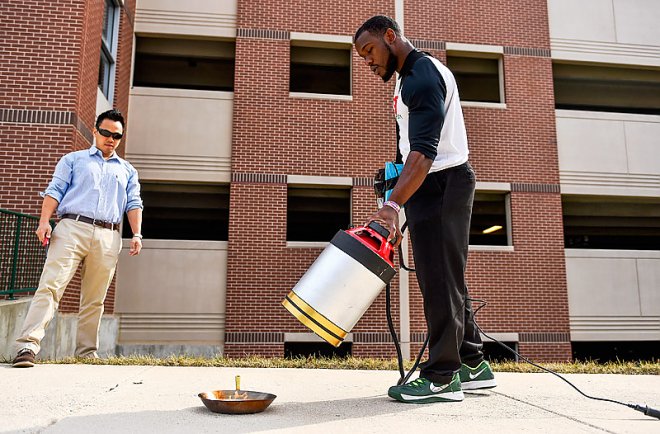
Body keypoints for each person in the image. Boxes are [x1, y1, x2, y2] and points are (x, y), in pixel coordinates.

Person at [354, 15, 496, 403]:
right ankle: (472, 364)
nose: (367, 62)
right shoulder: (409, 76)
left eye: (369, 51)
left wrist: (392, 207)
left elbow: (423, 153)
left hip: (441, 184)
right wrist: (398, 195)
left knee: (438, 280)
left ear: (390, 36)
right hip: (430, 185)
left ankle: (442, 376)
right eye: (362, 57)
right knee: (448, 277)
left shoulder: (421, 76)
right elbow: (409, 151)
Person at [12, 109, 143, 368]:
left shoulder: (128, 170)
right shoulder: (73, 160)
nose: (110, 139)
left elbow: (133, 202)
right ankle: (27, 345)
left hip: (108, 234)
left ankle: (86, 354)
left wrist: (136, 233)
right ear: (95, 131)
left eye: (116, 135)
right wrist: (43, 221)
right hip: (72, 227)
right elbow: (55, 190)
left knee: (95, 299)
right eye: (105, 133)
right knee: (50, 286)